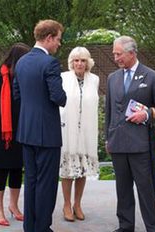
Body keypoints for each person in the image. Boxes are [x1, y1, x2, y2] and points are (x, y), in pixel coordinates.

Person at [106, 36, 155, 232]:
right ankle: (125, 226)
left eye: (118, 54)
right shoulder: (112, 78)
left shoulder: (151, 76)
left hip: (140, 144)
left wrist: (147, 113)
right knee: (122, 189)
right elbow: (108, 111)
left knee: (145, 189)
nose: (115, 58)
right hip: (118, 142)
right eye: (114, 54)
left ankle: (152, 227)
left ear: (131, 53)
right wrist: (108, 138)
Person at [12, 19, 66, 232]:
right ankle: (42, 228)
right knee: (47, 183)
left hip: (26, 132)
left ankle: (30, 227)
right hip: (47, 134)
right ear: (49, 38)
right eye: (58, 40)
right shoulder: (50, 63)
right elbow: (58, 97)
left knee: (32, 181)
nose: (59, 45)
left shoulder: (22, 62)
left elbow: (17, 95)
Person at [0, 43, 31, 227]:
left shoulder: (22, 78)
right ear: (18, 59)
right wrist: (0, 115)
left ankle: (13, 206)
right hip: (2, 132)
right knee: (2, 169)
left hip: (19, 130)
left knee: (17, 168)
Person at [59, 46, 100, 222]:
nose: (79, 63)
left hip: (87, 130)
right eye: (76, 60)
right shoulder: (63, 78)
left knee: (83, 168)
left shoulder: (95, 80)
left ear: (88, 62)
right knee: (68, 168)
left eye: (83, 60)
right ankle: (66, 204)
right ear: (71, 62)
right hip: (68, 129)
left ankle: (78, 204)